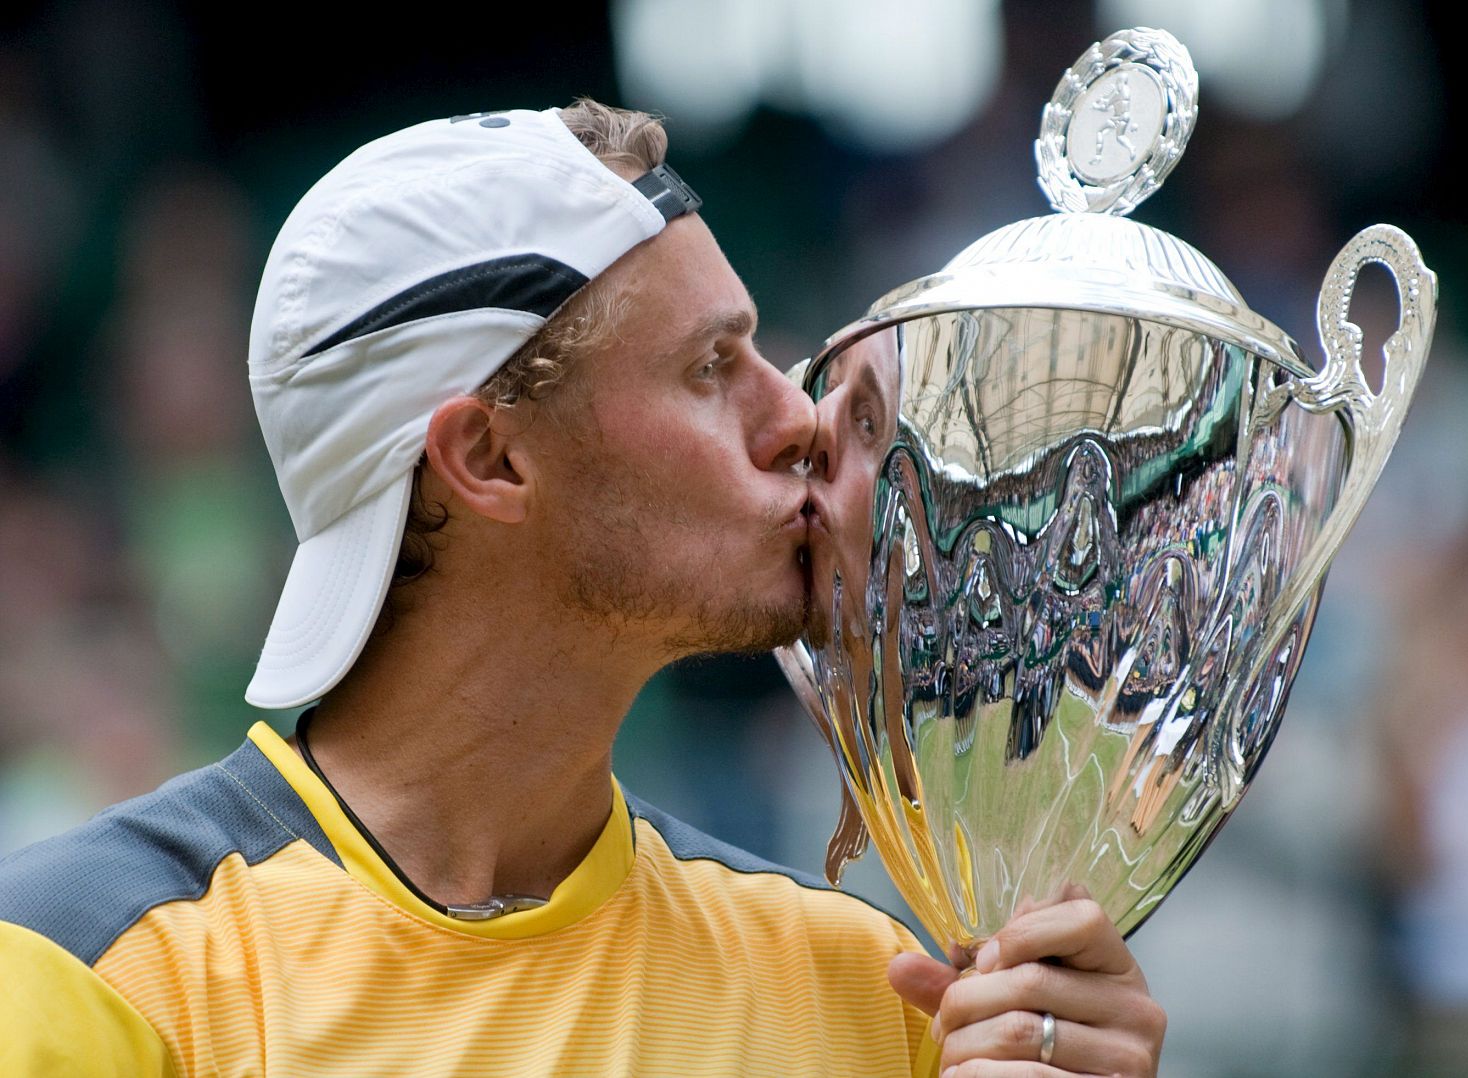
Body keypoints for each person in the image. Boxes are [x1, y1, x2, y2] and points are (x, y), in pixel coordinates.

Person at [0, 100, 1165, 1076]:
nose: (799, 418)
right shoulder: (78, 966)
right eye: (713, 369)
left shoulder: (878, 992)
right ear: (491, 458)